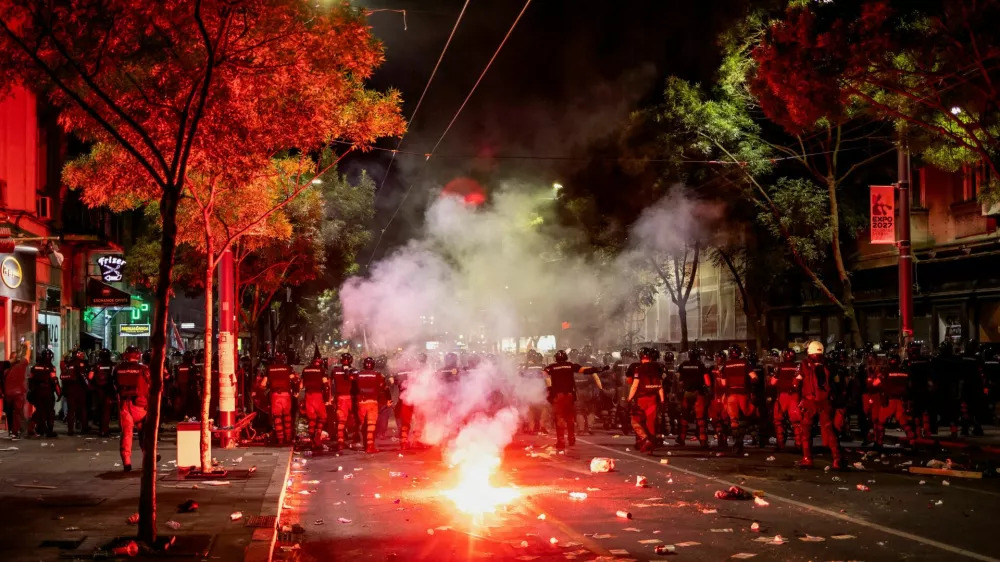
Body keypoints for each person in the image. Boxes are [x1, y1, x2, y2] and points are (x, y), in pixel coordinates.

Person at [796, 341, 843, 469]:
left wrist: (798, 400)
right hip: (826, 403)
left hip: (810, 402)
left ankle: (807, 459)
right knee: (830, 430)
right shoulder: (830, 364)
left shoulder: (804, 364)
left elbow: (797, 383)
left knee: (806, 431)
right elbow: (838, 384)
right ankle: (837, 459)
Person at [544, 349, 601, 450]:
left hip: (558, 396)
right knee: (570, 417)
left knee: (559, 417)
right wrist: (597, 369)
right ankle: (571, 438)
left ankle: (561, 442)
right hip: (570, 395)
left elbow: (544, 374)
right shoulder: (571, 365)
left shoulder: (552, 367)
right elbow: (584, 370)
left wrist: (549, 388)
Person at [114, 347, 151, 471]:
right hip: (140, 405)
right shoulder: (143, 369)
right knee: (144, 433)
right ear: (138, 355)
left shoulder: (118, 368)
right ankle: (148, 457)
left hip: (124, 404)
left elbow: (113, 385)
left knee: (126, 433)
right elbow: (151, 385)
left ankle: (126, 461)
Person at [719, 345, 757, 455]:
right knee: (745, 417)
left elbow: (723, 383)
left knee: (734, 420)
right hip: (743, 394)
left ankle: (737, 443)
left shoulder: (726, 365)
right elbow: (754, 378)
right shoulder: (745, 363)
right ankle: (741, 441)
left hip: (731, 395)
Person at [626, 348, 665, 453]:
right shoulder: (657, 368)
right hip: (653, 399)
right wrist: (662, 399)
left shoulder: (639, 368)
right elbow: (660, 386)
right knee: (650, 423)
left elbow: (634, 385)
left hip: (641, 399)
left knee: (635, 421)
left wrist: (629, 398)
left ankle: (645, 439)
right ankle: (651, 446)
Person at [872, 354, 914, 448]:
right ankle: (912, 441)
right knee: (903, 422)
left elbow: (875, 384)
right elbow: (909, 386)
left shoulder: (886, 372)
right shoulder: (905, 372)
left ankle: (879, 442)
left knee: (881, 422)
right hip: (901, 401)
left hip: (889, 401)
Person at [260, 352, 298, 445]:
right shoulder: (288, 368)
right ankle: (288, 437)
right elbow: (295, 380)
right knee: (287, 417)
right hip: (286, 395)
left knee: (277, 418)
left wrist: (267, 389)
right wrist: (296, 392)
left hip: (275, 395)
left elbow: (262, 384)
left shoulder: (269, 369)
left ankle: (280, 438)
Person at [675, 349, 711, 448]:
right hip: (699, 393)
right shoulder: (701, 365)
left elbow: (680, 381)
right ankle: (703, 440)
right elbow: (707, 382)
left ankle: (681, 438)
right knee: (700, 417)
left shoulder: (683, 365)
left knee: (684, 416)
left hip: (686, 393)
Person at [769, 349, 801, 451]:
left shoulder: (779, 367)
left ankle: (781, 443)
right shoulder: (798, 367)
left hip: (782, 396)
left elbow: (773, 383)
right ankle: (799, 444)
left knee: (778, 420)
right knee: (796, 422)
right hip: (795, 396)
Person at [355, 357, 387, 453]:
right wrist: (388, 399)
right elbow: (384, 388)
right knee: (371, 424)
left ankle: (363, 443)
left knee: (362, 424)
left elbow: (354, 388)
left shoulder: (358, 374)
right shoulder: (377, 375)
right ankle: (369, 446)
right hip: (372, 402)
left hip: (361, 402)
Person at [391, 354, 423, 450]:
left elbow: (394, 383)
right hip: (415, 399)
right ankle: (416, 441)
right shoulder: (416, 372)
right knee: (419, 421)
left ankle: (404, 442)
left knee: (405, 422)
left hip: (404, 400)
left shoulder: (399, 373)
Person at [300, 356, 330, 451]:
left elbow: (301, 386)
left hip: (308, 395)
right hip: (318, 395)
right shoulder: (322, 370)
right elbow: (326, 386)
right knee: (322, 416)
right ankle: (318, 433)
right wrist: (326, 400)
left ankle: (312, 441)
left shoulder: (305, 370)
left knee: (311, 419)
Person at [28, 349, 60, 438]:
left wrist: (32, 391)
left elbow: (30, 380)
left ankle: (40, 428)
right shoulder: (51, 368)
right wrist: (59, 393)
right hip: (48, 392)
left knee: (40, 410)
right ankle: (49, 430)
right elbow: (54, 381)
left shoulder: (34, 367)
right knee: (50, 411)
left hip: (37, 393)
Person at [329, 353, 357, 451]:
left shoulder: (335, 370)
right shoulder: (354, 371)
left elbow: (329, 384)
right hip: (350, 398)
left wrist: (330, 398)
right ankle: (354, 440)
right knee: (355, 419)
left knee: (341, 420)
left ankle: (340, 441)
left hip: (340, 398)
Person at [906, 342, 934, 439]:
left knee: (916, 412)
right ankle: (927, 431)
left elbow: (909, 379)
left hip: (916, 389)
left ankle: (918, 432)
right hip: (924, 388)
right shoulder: (926, 362)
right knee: (925, 411)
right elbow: (930, 377)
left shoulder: (910, 363)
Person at [61, 350, 90, 435]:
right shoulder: (81, 364)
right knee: (83, 409)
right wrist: (89, 387)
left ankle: (70, 430)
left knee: (71, 410)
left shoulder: (69, 364)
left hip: (70, 390)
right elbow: (83, 376)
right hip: (80, 389)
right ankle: (83, 428)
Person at [3, 352, 27, 438]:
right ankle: (20, 430)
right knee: (18, 413)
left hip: (8, 394)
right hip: (18, 393)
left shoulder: (6, 370)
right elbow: (25, 360)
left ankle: (12, 430)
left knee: (11, 412)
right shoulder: (20, 367)